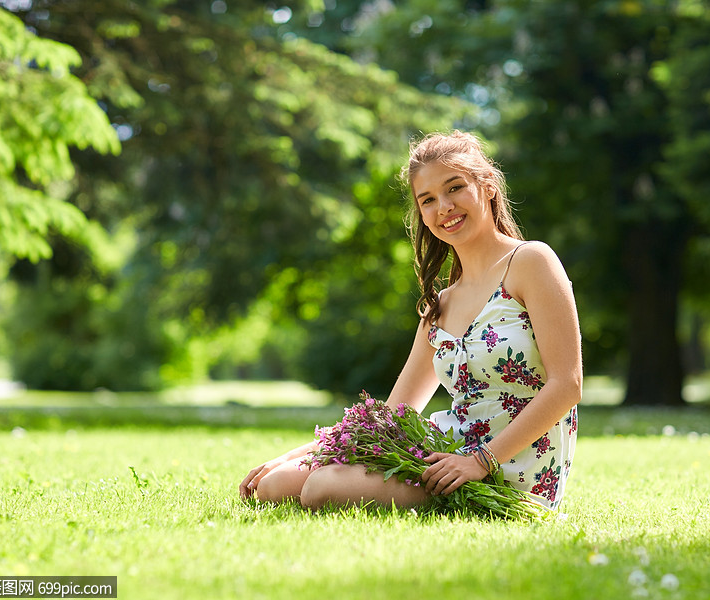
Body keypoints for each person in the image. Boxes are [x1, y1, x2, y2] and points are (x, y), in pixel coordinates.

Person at [240, 131, 582, 511]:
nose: (444, 207)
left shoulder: (532, 262)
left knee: (321, 488)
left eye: (455, 188)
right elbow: (394, 413)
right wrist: (300, 454)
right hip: (446, 449)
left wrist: (479, 461)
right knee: (275, 485)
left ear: (486, 185)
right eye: (428, 199)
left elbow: (567, 384)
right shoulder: (442, 303)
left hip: (508, 465)